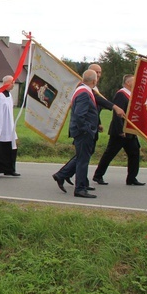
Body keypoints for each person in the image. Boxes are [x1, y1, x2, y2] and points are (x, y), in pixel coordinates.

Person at [52, 69, 100, 198]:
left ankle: (62, 175)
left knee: (80, 158)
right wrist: (87, 129)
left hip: (82, 131)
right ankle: (80, 188)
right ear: (94, 81)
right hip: (83, 132)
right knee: (83, 160)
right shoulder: (84, 93)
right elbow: (80, 115)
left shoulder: (81, 89)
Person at [92, 74, 145, 186]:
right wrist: (121, 130)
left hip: (130, 131)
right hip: (120, 131)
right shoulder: (121, 94)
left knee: (135, 153)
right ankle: (98, 176)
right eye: (134, 81)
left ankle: (131, 178)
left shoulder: (131, 95)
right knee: (110, 154)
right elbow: (117, 114)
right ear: (128, 83)